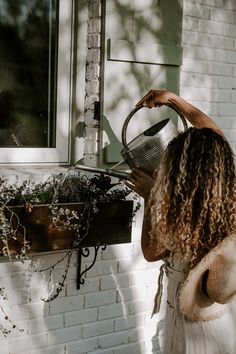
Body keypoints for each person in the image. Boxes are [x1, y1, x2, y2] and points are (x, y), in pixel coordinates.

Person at [125, 90, 236, 354]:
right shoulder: (227, 204)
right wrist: (175, 101)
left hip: (190, 327)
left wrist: (151, 198)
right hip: (219, 321)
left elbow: (151, 253)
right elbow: (215, 137)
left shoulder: (183, 218)